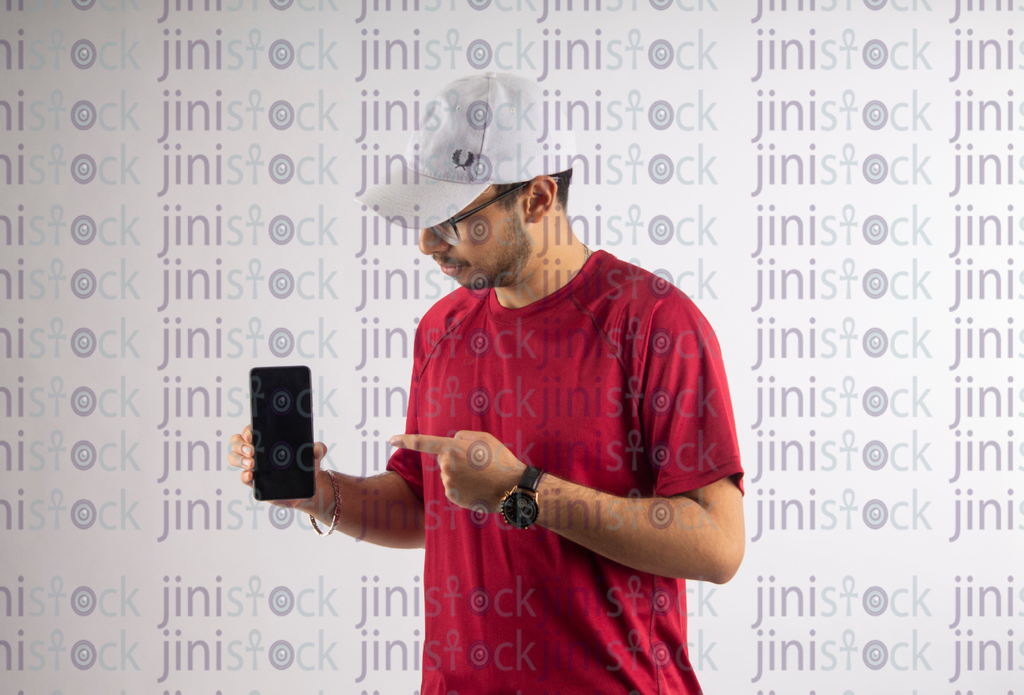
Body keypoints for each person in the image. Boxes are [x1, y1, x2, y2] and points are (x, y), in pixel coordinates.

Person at [228, 72, 745, 694]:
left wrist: (522, 490)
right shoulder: (440, 329)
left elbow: (719, 545)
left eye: (452, 220)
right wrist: (318, 492)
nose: (427, 244)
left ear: (537, 199)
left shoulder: (655, 323)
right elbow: (426, 507)